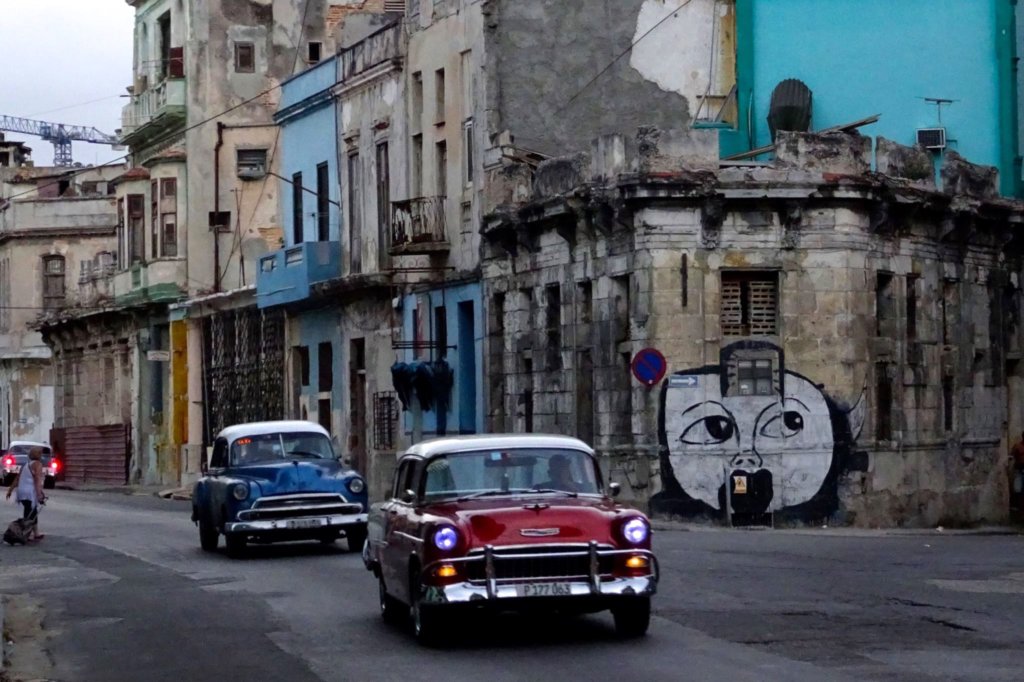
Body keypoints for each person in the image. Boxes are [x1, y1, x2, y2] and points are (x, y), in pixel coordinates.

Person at [5, 446, 46, 541]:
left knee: (31, 511)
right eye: (41, 454)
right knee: (31, 513)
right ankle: (26, 533)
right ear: (38, 455)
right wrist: (39, 494)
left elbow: (17, 478)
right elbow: (37, 480)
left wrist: (10, 490)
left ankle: (35, 533)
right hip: (29, 492)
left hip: (22, 492)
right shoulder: (38, 464)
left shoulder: (26, 464)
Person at [1010, 431, 1024, 511]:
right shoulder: (1017, 446)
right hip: (1019, 470)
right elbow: (1011, 456)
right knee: (1018, 489)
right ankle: (1019, 508)